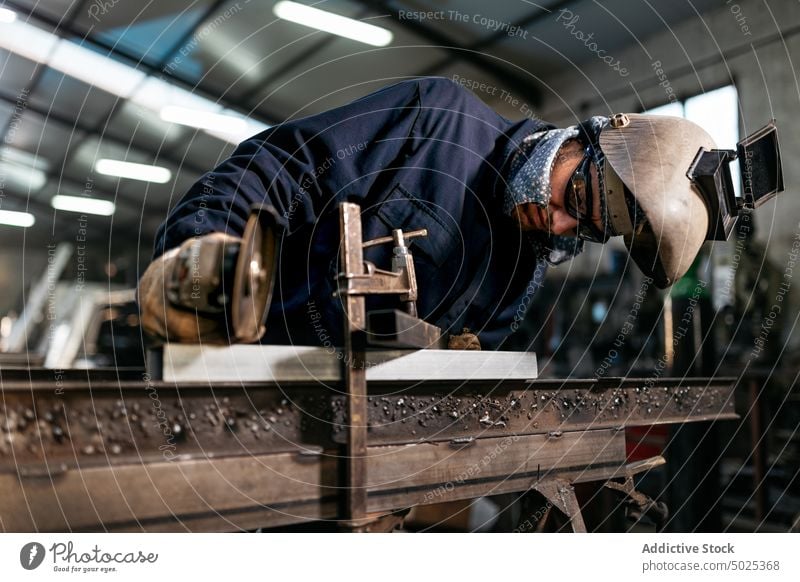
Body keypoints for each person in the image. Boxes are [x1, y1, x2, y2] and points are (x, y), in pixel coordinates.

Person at [138, 77, 714, 349]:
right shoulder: (436, 121)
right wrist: (207, 247)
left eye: (585, 228)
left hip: (334, 442)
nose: (560, 222)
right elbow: (279, 165)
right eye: (577, 198)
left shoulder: (521, 271)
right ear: (580, 139)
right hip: (233, 366)